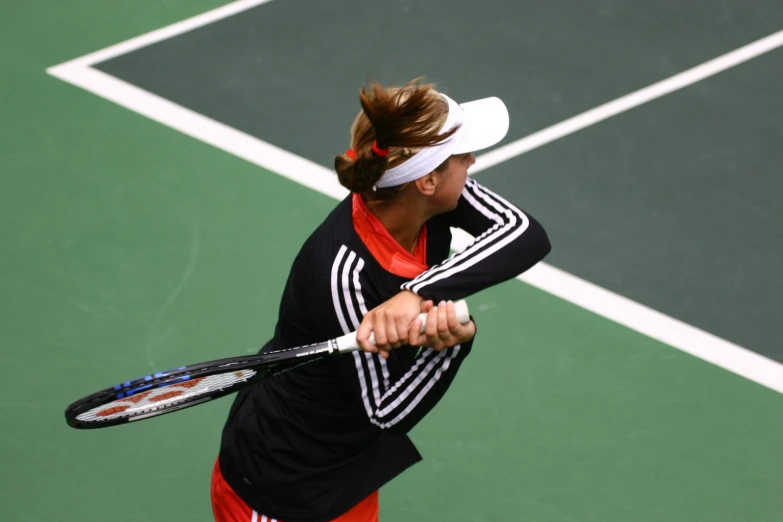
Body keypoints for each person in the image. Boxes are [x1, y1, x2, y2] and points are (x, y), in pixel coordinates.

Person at [211, 78, 551, 522]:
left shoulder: (425, 197)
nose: (472, 161)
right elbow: (385, 410)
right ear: (428, 179)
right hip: (284, 485)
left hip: (345, 476)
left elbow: (526, 234)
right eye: (462, 155)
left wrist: (420, 292)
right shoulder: (342, 273)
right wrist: (449, 347)